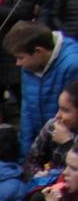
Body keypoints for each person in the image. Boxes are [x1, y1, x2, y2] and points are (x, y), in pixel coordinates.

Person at [7, 22, 78, 160]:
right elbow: (27, 110)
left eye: (20, 57)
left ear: (38, 51)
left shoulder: (73, 64)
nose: (18, 63)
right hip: (40, 145)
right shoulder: (29, 66)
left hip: (64, 147)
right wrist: (26, 157)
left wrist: (67, 144)